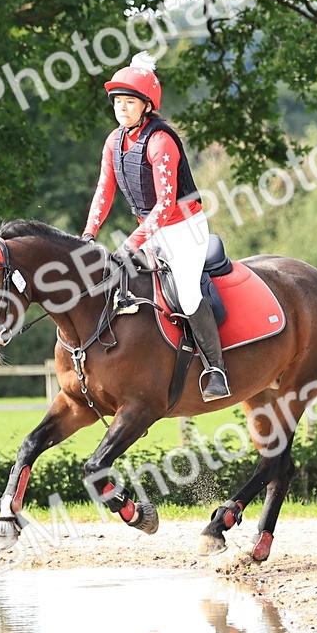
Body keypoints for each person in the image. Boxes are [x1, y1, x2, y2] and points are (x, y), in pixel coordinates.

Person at [81, 52, 231, 402]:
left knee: (187, 294)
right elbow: (104, 190)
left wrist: (131, 243)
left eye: (129, 102)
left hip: (184, 228)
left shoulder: (161, 141)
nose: (121, 108)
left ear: (147, 105)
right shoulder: (113, 142)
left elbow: (165, 205)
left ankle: (216, 370)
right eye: (117, 101)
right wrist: (89, 233)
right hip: (149, 230)